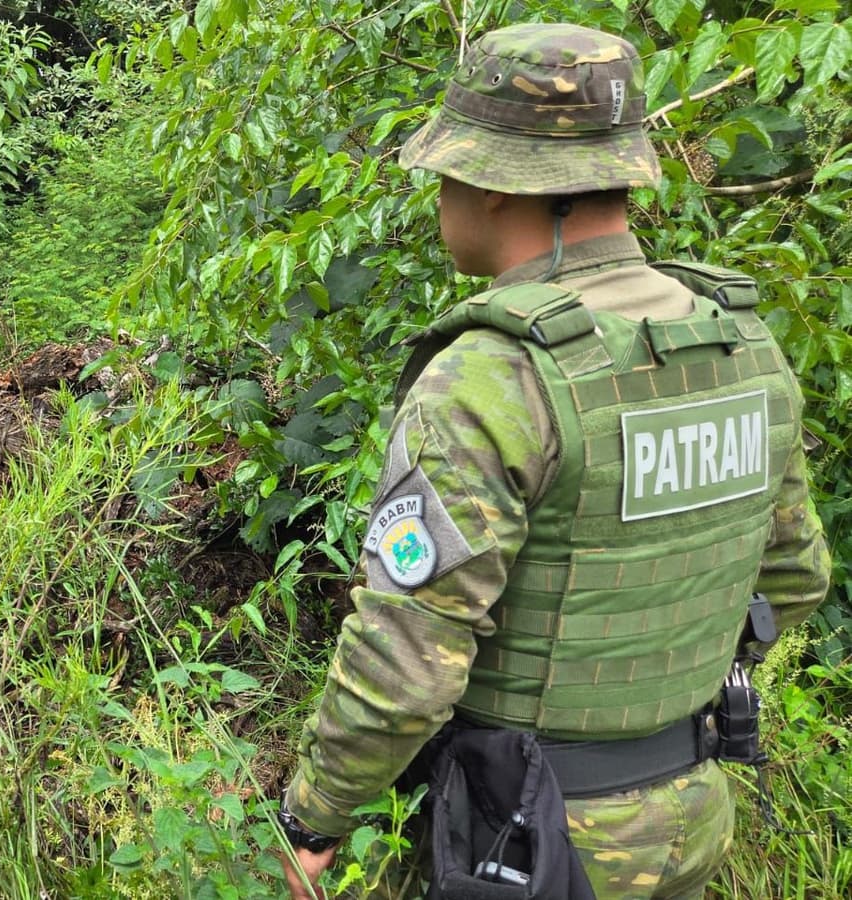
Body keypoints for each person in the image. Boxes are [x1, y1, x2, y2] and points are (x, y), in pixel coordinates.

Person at [275, 22, 832, 900]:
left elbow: (407, 662)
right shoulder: (740, 347)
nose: (442, 194)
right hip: (689, 810)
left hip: (530, 834)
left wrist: (315, 816)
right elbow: (794, 580)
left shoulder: (493, 378)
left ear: (496, 185)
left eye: (449, 170)